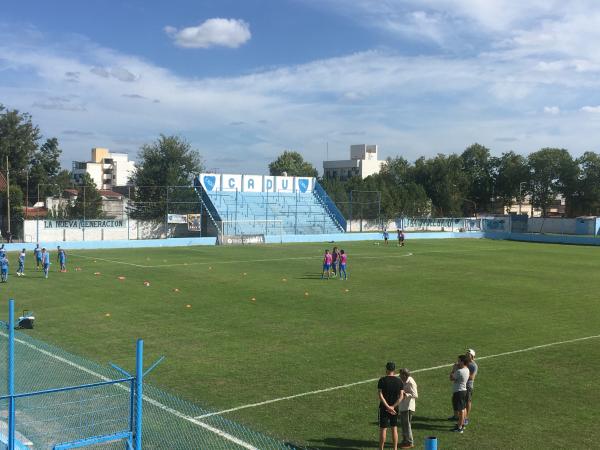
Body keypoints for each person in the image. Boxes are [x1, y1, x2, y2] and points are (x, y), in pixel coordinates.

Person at [378, 361, 404, 450]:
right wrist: (393, 407)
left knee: (383, 429)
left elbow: (380, 395)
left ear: (386, 369)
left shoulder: (382, 380)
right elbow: (401, 396)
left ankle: (381, 448)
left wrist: (387, 407)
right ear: (394, 370)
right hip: (395, 408)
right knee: (394, 428)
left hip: (384, 408)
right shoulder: (399, 381)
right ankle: (395, 448)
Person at [398, 368, 418, 449]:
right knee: (403, 425)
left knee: (407, 425)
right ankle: (405, 440)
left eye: (401, 374)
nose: (399, 376)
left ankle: (410, 442)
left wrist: (406, 394)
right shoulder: (403, 381)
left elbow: (415, 395)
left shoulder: (411, 382)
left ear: (405, 375)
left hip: (408, 407)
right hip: (403, 405)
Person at [449, 354, 470, 433]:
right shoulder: (466, 369)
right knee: (463, 408)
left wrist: (453, 369)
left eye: (458, 360)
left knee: (461, 410)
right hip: (463, 391)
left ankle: (459, 427)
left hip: (458, 392)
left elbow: (451, 378)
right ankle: (462, 424)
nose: (457, 362)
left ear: (462, 362)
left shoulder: (459, 371)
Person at [464, 349, 478, 426]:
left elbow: (472, 377)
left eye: (468, 354)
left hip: (468, 386)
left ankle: (466, 418)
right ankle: (457, 415)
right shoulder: (465, 363)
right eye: (466, 354)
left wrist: (463, 375)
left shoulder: (474, 366)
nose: (466, 355)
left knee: (467, 401)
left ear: (472, 356)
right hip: (462, 385)